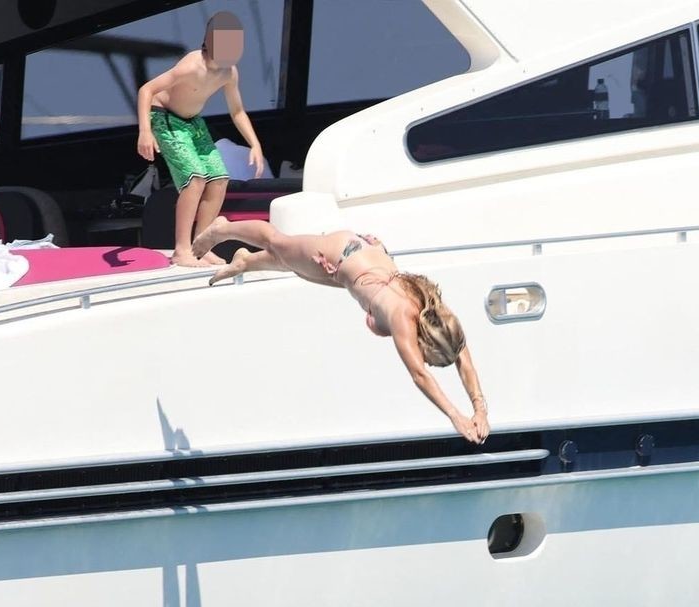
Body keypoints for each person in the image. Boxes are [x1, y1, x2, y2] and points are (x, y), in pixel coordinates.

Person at [191, 217, 489, 443]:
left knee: (294, 264)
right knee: (277, 242)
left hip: (358, 264)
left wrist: (480, 410)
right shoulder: (404, 317)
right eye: (430, 358)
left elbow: (464, 359)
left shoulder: (438, 315)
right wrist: (455, 416)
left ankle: (245, 261)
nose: (426, 362)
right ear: (426, 343)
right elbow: (419, 375)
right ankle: (223, 229)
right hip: (342, 253)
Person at [135, 11, 268, 267]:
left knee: (219, 179)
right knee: (195, 179)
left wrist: (255, 143)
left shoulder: (229, 73)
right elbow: (146, 90)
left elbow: (237, 111)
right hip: (164, 116)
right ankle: (181, 250)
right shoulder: (191, 66)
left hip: (192, 122)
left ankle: (201, 246)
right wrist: (145, 131)